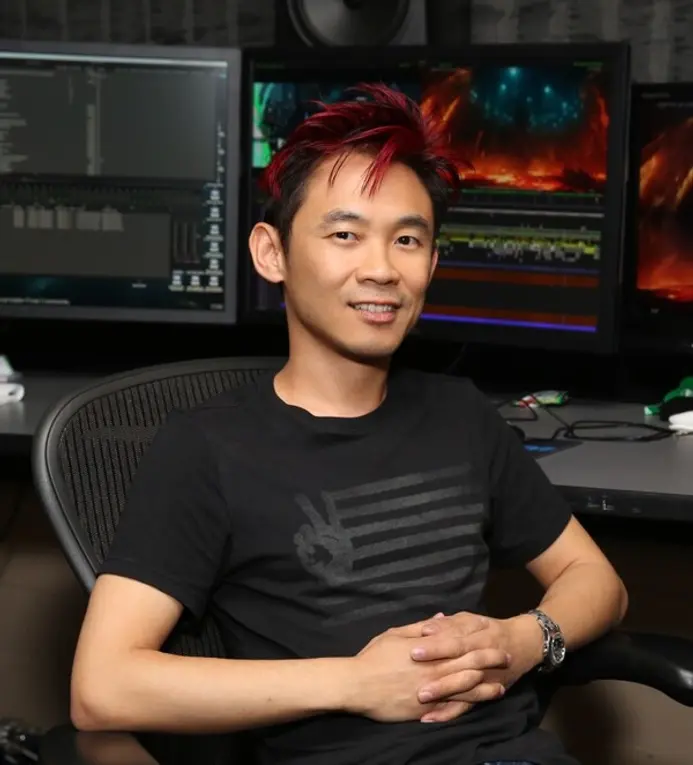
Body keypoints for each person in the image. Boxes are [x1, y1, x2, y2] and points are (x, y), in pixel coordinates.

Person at [70, 84, 628, 765]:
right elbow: (102, 687)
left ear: (431, 264)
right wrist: (355, 683)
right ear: (271, 253)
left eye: (407, 240)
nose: (381, 269)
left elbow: (595, 579)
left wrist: (525, 639)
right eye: (344, 235)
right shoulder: (209, 445)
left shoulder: (461, 414)